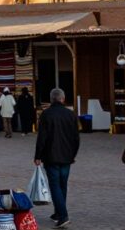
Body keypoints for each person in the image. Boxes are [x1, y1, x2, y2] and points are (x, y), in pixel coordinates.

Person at [34, 88, 80, 229]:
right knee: (62, 184)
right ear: (63, 99)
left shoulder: (46, 114)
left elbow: (42, 137)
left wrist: (38, 155)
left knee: (55, 185)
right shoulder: (70, 114)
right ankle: (58, 213)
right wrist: (73, 154)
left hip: (51, 156)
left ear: (52, 99)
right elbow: (76, 138)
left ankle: (63, 215)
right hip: (67, 156)